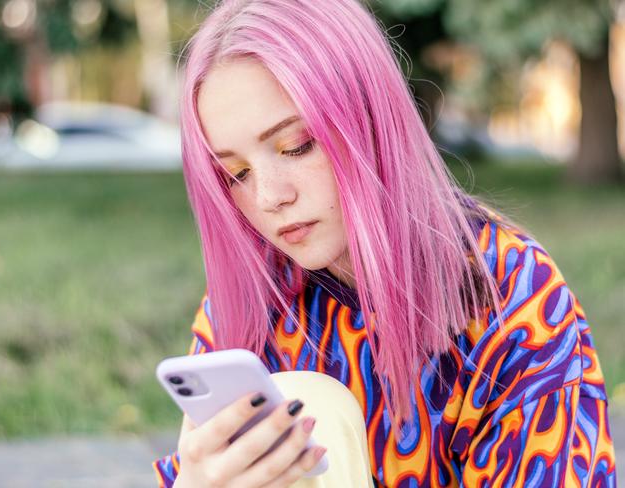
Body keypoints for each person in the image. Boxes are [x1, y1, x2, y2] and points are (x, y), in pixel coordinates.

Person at [152, 0, 617, 486]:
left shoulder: (510, 295)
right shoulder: (250, 295)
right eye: (236, 173)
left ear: (369, 117)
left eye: (296, 146)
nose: (269, 197)